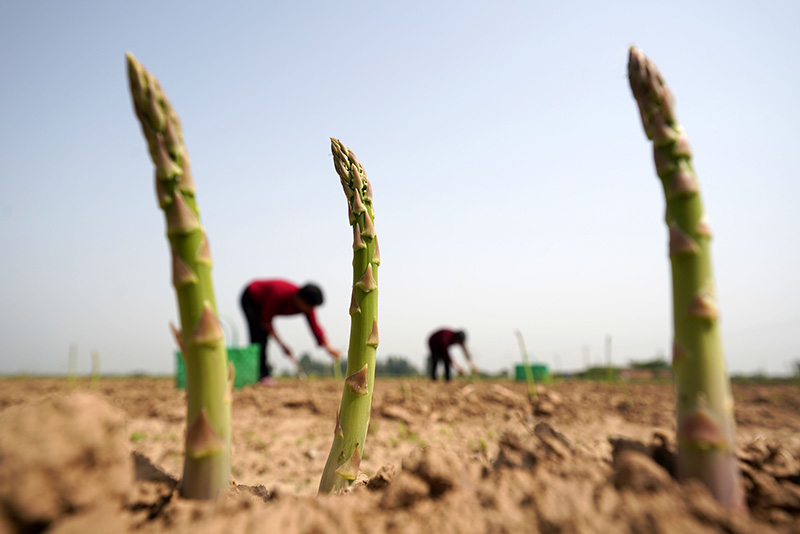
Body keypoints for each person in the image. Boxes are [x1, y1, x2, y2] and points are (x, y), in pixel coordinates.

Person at [240, 279, 340, 385]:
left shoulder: (307, 307)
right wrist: (283, 346)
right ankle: (261, 375)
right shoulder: (279, 294)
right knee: (259, 337)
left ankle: (262, 375)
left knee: (262, 336)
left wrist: (328, 348)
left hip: (265, 306)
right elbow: (266, 323)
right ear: (301, 299)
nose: (310, 310)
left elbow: (315, 327)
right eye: (309, 306)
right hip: (251, 297)